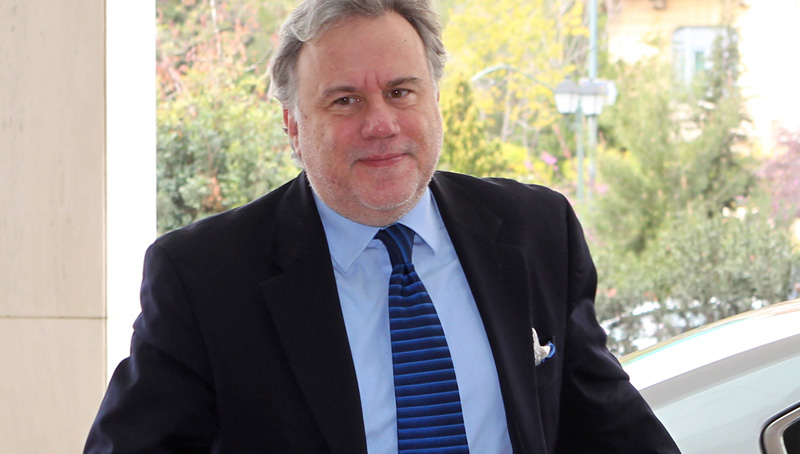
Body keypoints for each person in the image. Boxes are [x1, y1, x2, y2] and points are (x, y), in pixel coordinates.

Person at [85, 0, 680, 452]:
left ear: (434, 100)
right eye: (344, 101)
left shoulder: (536, 230)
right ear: (293, 127)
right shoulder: (205, 278)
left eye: (401, 92)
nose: (381, 124)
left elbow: (612, 430)